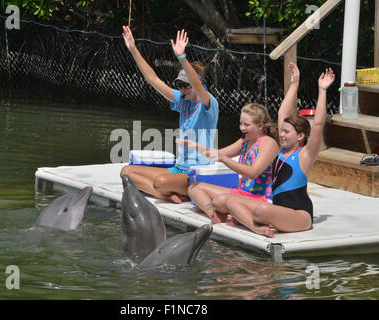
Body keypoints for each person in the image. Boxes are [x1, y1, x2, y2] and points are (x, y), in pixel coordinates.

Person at [212, 63, 335, 237]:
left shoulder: (306, 154)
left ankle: (253, 223)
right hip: (276, 210)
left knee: (260, 211)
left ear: (300, 136)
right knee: (229, 201)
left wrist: (322, 91)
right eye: (281, 131)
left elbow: (318, 124)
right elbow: (282, 113)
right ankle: (256, 226)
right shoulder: (281, 152)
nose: (281, 135)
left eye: (286, 132)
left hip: (299, 215)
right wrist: (294, 84)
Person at [119, 27, 219, 203]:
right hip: (178, 169)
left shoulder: (208, 104)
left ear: (198, 84)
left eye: (185, 85)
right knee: (126, 172)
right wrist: (133, 49)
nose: (181, 89)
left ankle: (168, 190)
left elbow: (195, 82)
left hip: (197, 172)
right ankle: (165, 194)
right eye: (178, 85)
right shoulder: (182, 100)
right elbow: (153, 80)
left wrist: (181, 57)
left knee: (160, 181)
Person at [178, 103, 279, 224]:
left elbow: (252, 173)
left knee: (219, 201)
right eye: (241, 123)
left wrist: (225, 159)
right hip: (243, 194)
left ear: (260, 125)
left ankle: (218, 210)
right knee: (194, 188)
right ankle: (214, 213)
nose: (242, 128)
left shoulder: (268, 143)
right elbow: (217, 154)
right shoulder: (245, 141)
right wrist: (193, 145)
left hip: (261, 199)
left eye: (247, 124)